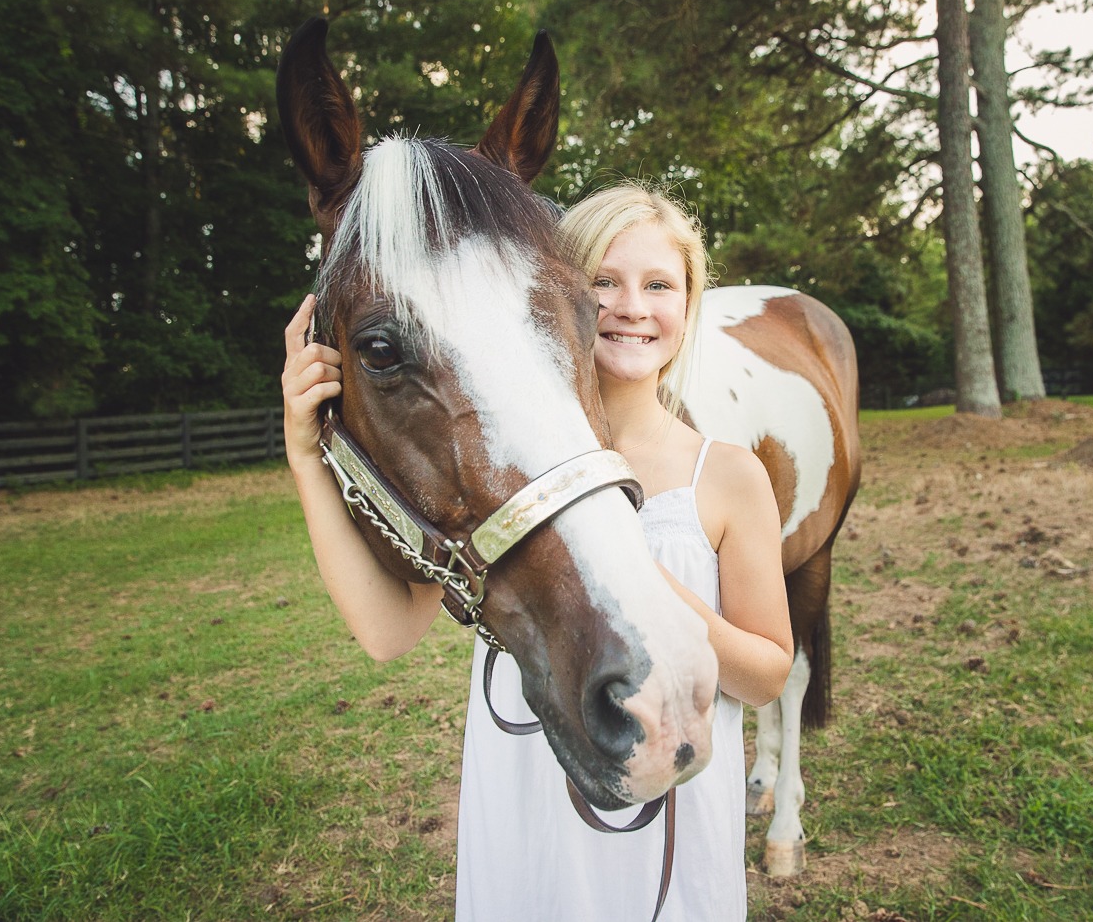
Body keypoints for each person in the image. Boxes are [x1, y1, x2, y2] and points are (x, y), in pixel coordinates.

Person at [280, 180, 791, 920]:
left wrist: (633, 580)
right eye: (603, 283)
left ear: (689, 302)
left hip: (669, 792)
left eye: (659, 285)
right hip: (527, 796)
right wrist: (305, 456)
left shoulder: (727, 475)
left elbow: (770, 671)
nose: (632, 307)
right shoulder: (498, 466)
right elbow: (389, 633)